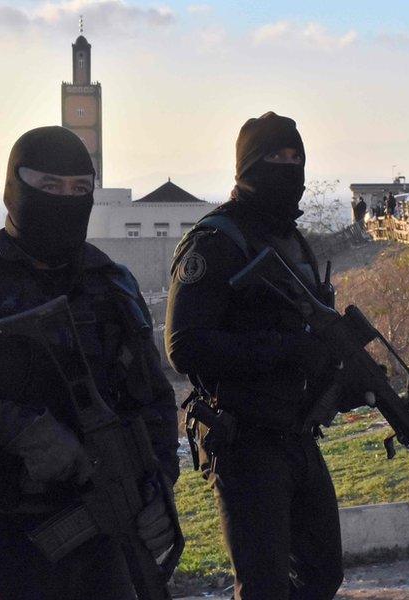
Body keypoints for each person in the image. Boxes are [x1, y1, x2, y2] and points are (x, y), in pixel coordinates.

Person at [0, 126, 180, 600]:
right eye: (48, 187)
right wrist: (20, 431)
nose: (65, 200)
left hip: (102, 540)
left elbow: (154, 398)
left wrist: (157, 482)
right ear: (13, 189)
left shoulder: (112, 284)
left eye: (79, 190)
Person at [166, 111, 344, 600]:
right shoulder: (216, 241)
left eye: (295, 157)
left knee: (322, 575)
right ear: (246, 165)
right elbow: (184, 345)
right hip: (246, 438)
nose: (288, 167)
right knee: (264, 587)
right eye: (274, 157)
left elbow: (309, 328)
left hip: (298, 432)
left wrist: (339, 375)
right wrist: (289, 351)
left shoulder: (291, 239)